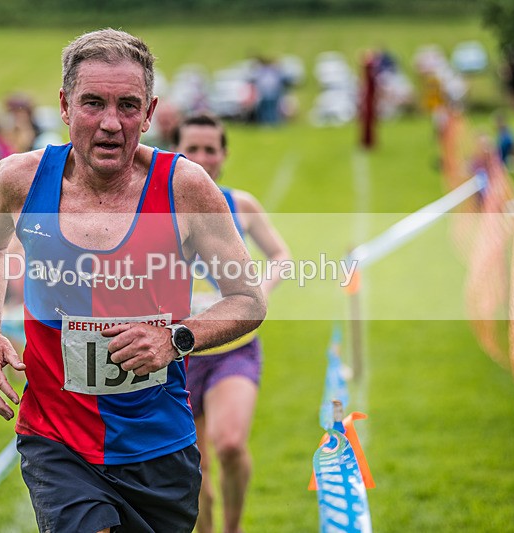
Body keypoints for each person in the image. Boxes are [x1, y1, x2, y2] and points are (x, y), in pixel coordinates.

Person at [0, 29, 266, 533]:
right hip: (56, 438)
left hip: (158, 442)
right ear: (65, 106)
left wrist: (175, 339)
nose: (111, 123)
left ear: (149, 114)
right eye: (93, 103)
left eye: (128, 105)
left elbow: (248, 300)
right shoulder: (18, 180)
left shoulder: (185, 188)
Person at [173, 112, 291, 533]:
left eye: (211, 149)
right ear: (176, 152)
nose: (202, 157)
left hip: (232, 349)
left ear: (223, 155)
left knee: (230, 443)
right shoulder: (157, 208)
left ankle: (233, 527)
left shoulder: (240, 205)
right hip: (178, 353)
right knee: (193, 468)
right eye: (192, 148)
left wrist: (259, 292)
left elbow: (281, 255)